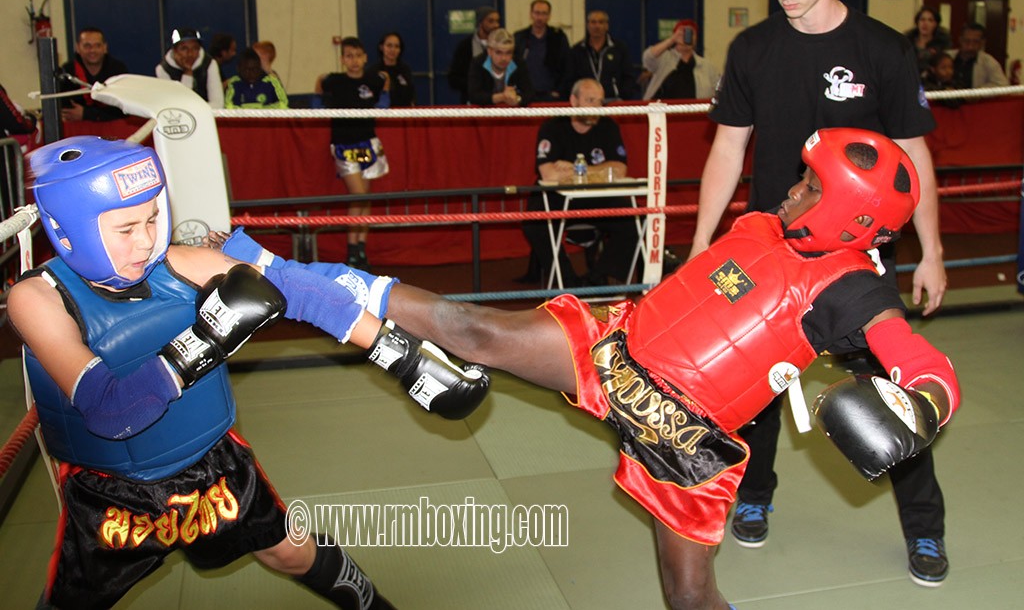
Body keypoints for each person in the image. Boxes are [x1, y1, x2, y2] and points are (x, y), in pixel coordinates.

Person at [222, 127, 959, 610]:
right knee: (471, 327)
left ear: (852, 220)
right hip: (616, 349)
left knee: (689, 598)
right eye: (802, 176)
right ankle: (286, 274)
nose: (793, 189)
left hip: (685, 436)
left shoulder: (854, 289)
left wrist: (923, 400)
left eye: (811, 188)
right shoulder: (764, 223)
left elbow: (924, 362)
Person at [10, 135, 489, 610]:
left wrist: (402, 356)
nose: (147, 240)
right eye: (125, 228)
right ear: (69, 229)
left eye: (153, 218)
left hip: (216, 468)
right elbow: (108, 410)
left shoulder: (176, 264)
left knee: (291, 552)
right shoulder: (39, 299)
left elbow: (296, 288)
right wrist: (206, 338)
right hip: (113, 499)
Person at [690, 0, 951, 586]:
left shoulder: (881, 50)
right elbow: (728, 149)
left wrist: (934, 251)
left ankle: (924, 530)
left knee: (895, 394)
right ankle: (754, 493)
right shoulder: (753, 48)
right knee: (754, 388)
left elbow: (916, 156)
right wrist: (700, 246)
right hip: (773, 250)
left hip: (856, 260)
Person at [520, 78, 637, 286]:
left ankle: (599, 277)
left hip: (599, 197)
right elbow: (548, 174)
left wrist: (574, 168)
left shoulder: (609, 126)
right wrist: (599, 171)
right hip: (558, 197)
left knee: (633, 218)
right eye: (590, 100)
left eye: (600, 102)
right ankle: (568, 281)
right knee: (534, 221)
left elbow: (619, 170)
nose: (596, 108)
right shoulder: (552, 127)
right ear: (573, 101)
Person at [316, 36, 390, 269]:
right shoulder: (335, 81)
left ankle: (360, 249)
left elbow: (385, 91)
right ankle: (351, 250)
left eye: (358, 56)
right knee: (357, 194)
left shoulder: (373, 80)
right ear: (343, 59)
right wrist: (317, 107)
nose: (354, 60)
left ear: (365, 57)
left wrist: (383, 101)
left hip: (368, 142)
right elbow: (319, 84)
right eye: (349, 56)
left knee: (365, 196)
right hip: (345, 145)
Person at [563, 10, 638, 102]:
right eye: (593, 22)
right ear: (588, 25)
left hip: (614, 101)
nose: (597, 26)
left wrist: (623, 96)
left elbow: (628, 75)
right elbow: (569, 78)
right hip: (586, 102)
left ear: (607, 26)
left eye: (601, 22)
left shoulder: (619, 49)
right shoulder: (576, 50)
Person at [641, 19, 721, 101]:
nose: (687, 36)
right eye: (682, 33)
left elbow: (719, 91)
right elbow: (648, 57)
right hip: (662, 111)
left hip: (695, 111)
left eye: (692, 33)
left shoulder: (707, 66)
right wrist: (671, 40)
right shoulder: (663, 58)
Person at [60, 27, 129, 122]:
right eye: (87, 46)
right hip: (78, 132)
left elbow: (123, 110)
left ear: (105, 48)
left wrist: (86, 114)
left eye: (97, 45)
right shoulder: (67, 72)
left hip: (111, 130)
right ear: (78, 48)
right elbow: (64, 109)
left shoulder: (118, 71)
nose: (92, 50)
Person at [513, 0, 571, 102]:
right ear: (531, 14)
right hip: (525, 95)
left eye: (544, 13)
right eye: (537, 13)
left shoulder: (558, 37)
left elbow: (567, 66)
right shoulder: (519, 37)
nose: (540, 17)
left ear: (549, 16)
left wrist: (559, 91)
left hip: (551, 95)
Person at [155, 28, 225, 108]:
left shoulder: (209, 64)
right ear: (174, 50)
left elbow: (218, 103)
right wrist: (187, 74)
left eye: (195, 48)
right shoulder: (163, 70)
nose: (190, 54)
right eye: (184, 48)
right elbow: (176, 106)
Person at [466, 28, 534, 106]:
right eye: (498, 53)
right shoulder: (478, 64)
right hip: (483, 115)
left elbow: (530, 93)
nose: (504, 58)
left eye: (508, 53)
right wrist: (502, 97)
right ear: (489, 51)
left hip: (511, 115)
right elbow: (474, 96)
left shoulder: (519, 64)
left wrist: (517, 99)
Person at [448, 6, 501, 103]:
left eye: (497, 21)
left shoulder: (504, 45)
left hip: (500, 103)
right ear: (480, 23)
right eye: (491, 21)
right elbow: (453, 79)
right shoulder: (465, 46)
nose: (496, 25)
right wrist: (474, 84)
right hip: (472, 103)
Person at [224, 48, 289, 109]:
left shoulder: (271, 82)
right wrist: (248, 112)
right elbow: (228, 106)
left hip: (267, 120)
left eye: (254, 69)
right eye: (246, 70)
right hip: (242, 120)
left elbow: (283, 104)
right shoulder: (234, 84)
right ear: (239, 69)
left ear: (260, 68)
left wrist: (262, 111)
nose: (251, 73)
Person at [950, 23, 1009, 89]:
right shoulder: (948, 56)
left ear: (982, 43)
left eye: (975, 42)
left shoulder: (988, 62)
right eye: (966, 41)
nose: (970, 46)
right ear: (960, 40)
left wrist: (978, 92)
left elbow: (1003, 85)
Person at [369, 32, 416, 107]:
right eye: (389, 45)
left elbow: (412, 95)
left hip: (404, 115)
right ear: (381, 47)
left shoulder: (405, 70)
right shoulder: (373, 71)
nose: (393, 49)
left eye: (396, 46)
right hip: (383, 116)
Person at [904, 6, 952, 78]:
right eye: (922, 19)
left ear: (936, 24)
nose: (925, 24)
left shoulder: (941, 44)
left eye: (930, 20)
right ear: (917, 22)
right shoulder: (907, 42)